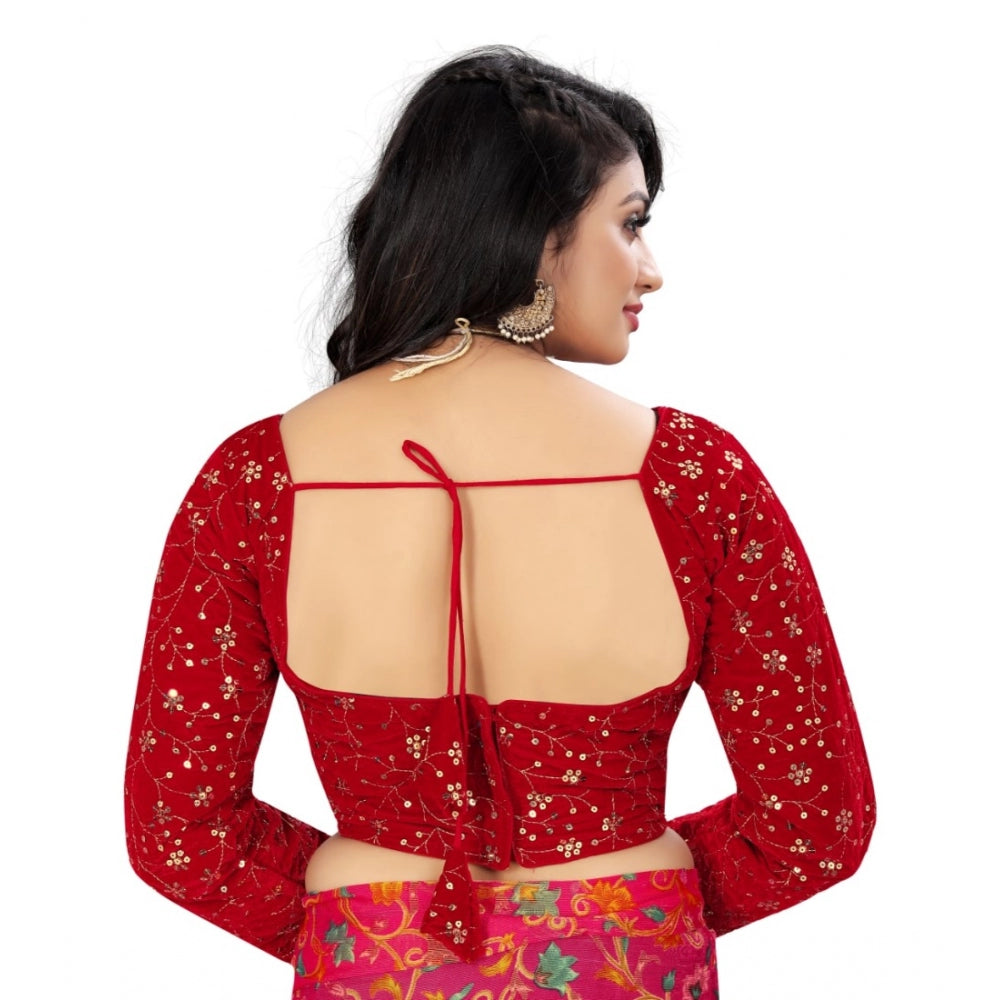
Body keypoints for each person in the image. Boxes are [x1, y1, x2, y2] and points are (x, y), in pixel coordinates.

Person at [125, 45, 875, 998]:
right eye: (631, 223)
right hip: (630, 959)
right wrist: (633, 906)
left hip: (372, 962)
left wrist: (361, 924)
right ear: (537, 231)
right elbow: (814, 822)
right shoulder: (693, 477)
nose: (650, 271)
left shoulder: (258, 482)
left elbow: (182, 832)